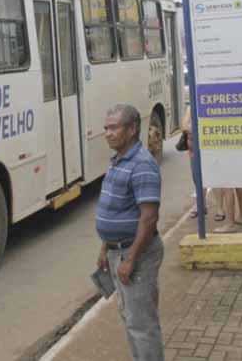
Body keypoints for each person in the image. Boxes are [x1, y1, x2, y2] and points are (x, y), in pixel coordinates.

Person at [96, 104, 164, 361]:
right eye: (106, 128)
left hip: (135, 255)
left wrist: (131, 259)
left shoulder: (142, 164)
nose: (108, 133)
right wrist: (105, 247)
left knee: (142, 326)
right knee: (130, 319)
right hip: (118, 252)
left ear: (133, 129)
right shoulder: (118, 159)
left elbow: (149, 217)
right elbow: (113, 208)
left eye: (114, 128)